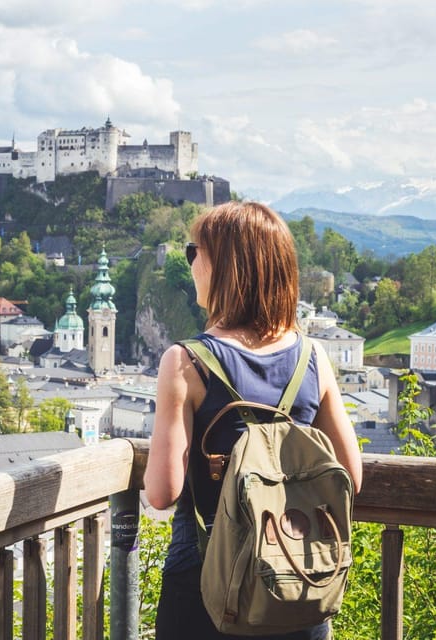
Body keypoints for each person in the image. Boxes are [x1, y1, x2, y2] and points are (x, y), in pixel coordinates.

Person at [144, 201, 363, 640]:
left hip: (206, 580)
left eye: (195, 253)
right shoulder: (313, 356)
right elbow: (351, 477)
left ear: (223, 267)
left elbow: (162, 492)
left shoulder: (186, 362)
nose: (190, 265)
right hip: (295, 576)